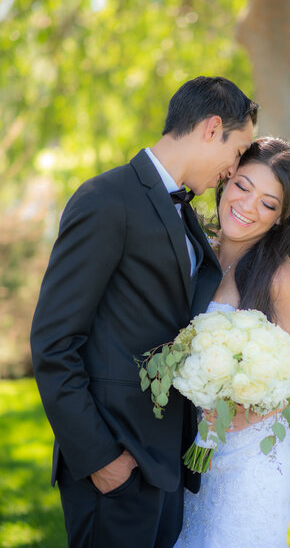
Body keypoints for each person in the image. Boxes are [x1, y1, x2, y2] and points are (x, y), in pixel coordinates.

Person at [30, 76, 259, 548]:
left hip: (165, 463)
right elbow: (53, 343)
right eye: (237, 152)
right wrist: (100, 457)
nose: (232, 169)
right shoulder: (105, 199)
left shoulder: (185, 211)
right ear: (212, 128)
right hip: (115, 460)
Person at [174, 136, 290, 548]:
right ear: (226, 181)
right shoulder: (197, 253)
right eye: (244, 186)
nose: (247, 206)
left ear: (281, 217)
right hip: (190, 455)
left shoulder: (277, 277)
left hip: (250, 463)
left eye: (268, 203)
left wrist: (249, 412)